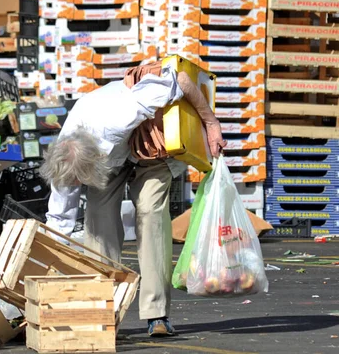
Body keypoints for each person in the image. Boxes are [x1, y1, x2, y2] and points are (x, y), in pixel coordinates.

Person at [39, 61, 226, 337]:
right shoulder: (66, 160)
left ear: (94, 163)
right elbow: (60, 218)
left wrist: (211, 124)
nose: (76, 187)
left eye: (81, 181)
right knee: (98, 221)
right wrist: (47, 268)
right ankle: (103, 311)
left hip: (150, 144)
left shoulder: (123, 113)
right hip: (110, 157)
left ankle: (157, 313)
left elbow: (182, 80)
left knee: (150, 213)